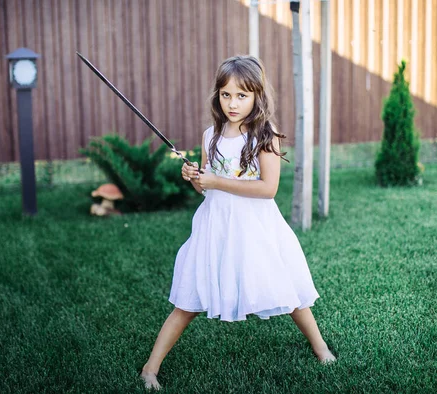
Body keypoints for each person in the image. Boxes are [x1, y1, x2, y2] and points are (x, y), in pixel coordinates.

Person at [140, 55, 335, 390]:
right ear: (217, 95)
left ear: (257, 96)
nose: (232, 103)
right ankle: (150, 368)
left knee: (287, 292)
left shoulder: (265, 135)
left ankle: (322, 349)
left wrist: (216, 182)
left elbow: (268, 189)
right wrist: (194, 177)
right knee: (187, 299)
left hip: (256, 228)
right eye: (226, 94)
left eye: (242, 95)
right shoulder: (210, 135)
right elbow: (206, 187)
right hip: (215, 227)